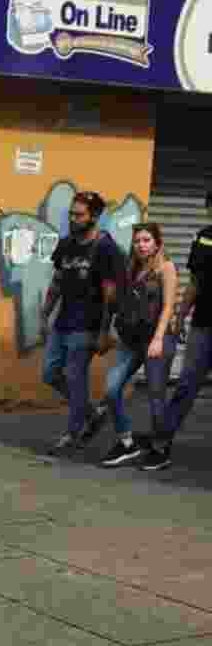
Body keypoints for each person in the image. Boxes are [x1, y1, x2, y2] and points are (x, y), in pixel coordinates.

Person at [40, 190, 123, 455]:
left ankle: (72, 435)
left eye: (79, 215)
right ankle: (91, 414)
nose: (73, 219)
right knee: (51, 374)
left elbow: (110, 297)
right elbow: (56, 282)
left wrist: (103, 332)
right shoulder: (66, 245)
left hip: (87, 327)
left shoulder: (106, 248)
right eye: (71, 214)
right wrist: (44, 314)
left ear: (95, 216)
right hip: (62, 323)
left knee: (75, 379)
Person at [96, 223, 178, 468]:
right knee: (112, 389)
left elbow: (168, 307)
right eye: (137, 241)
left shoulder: (166, 268)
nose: (141, 245)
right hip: (132, 340)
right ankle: (127, 443)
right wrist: (106, 331)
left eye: (146, 240)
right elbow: (116, 302)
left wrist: (158, 339)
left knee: (155, 395)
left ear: (156, 243)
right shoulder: (130, 269)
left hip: (157, 339)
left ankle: (160, 449)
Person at [148, 190, 212, 471]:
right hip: (204, 325)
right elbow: (196, 282)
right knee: (186, 383)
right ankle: (161, 444)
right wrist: (180, 315)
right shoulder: (204, 238)